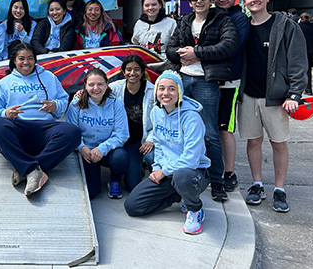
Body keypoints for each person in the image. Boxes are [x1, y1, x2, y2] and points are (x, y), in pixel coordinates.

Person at [238, 0, 307, 213]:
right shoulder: (243, 27)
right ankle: (257, 185)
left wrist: (295, 94)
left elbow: (298, 61)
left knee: (279, 143)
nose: (254, 0)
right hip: (248, 95)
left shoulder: (285, 25)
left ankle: (279, 189)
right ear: (244, 1)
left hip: (277, 97)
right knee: (253, 141)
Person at [166, 0, 237, 203]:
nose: (199, 2)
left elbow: (228, 46)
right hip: (182, 79)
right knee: (179, 129)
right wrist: (181, 54)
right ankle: (179, 176)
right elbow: (169, 48)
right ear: (190, 0)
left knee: (210, 133)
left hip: (206, 82)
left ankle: (216, 181)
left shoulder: (222, 19)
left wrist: (197, 53)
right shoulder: (184, 21)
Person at [0, 43, 81, 197]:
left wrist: (55, 106)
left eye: (30, 58)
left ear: (35, 60)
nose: (26, 62)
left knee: (73, 132)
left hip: (45, 129)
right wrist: (5, 113)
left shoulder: (49, 77)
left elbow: (64, 100)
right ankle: (32, 170)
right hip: (18, 129)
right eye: (21, 58)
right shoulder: (4, 83)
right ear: (14, 61)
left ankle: (26, 167)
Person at [124, 70, 211, 236]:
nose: (166, 93)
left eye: (172, 89)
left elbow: (191, 160)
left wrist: (163, 172)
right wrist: (157, 168)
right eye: (161, 88)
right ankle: (178, 196)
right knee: (133, 206)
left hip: (193, 172)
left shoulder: (192, 118)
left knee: (182, 177)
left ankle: (195, 209)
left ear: (179, 91)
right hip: (167, 171)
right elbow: (159, 144)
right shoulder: (156, 112)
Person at [66, 68, 129, 199]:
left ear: (107, 85)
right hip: (86, 151)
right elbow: (71, 131)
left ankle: (114, 180)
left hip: (107, 151)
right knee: (93, 192)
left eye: (100, 84)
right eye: (91, 84)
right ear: (85, 86)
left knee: (121, 157)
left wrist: (102, 149)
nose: (96, 88)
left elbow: (122, 134)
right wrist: (81, 147)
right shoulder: (76, 103)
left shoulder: (116, 104)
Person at [213, 0, 249, 193]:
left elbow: (232, 47)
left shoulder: (239, 18)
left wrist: (204, 52)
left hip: (229, 82)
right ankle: (210, 168)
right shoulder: (211, 16)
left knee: (225, 129)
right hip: (207, 82)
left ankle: (229, 172)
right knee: (207, 128)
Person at [110, 55, 156, 192]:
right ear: (123, 72)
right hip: (122, 141)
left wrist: (151, 139)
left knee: (132, 186)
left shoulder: (153, 91)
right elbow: (95, 92)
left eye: (136, 69)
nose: (132, 73)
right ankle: (119, 175)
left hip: (140, 143)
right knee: (121, 162)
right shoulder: (114, 88)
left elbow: (161, 120)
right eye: (128, 69)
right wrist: (81, 93)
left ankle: (154, 177)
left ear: (142, 72)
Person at [131, 0, 177, 64]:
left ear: (160, 5)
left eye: (154, 4)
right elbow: (135, 44)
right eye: (147, 5)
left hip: (164, 66)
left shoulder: (171, 23)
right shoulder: (139, 24)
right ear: (143, 7)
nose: (150, 8)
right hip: (144, 65)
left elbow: (175, 46)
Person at [298, 12, 313, 96]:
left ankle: (301, 88)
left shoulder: (299, 27)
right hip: (312, 51)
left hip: (302, 50)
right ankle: (309, 89)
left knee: (300, 70)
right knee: (308, 70)